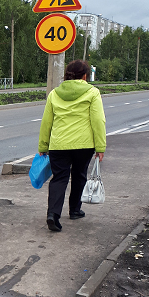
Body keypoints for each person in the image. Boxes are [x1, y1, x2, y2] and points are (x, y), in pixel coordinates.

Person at [38, 60, 106, 232]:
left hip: (58, 144)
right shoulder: (92, 92)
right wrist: (100, 147)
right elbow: (98, 121)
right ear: (84, 76)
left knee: (59, 178)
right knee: (79, 175)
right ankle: (75, 210)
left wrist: (43, 145)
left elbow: (47, 122)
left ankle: (53, 214)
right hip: (84, 145)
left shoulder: (54, 93)